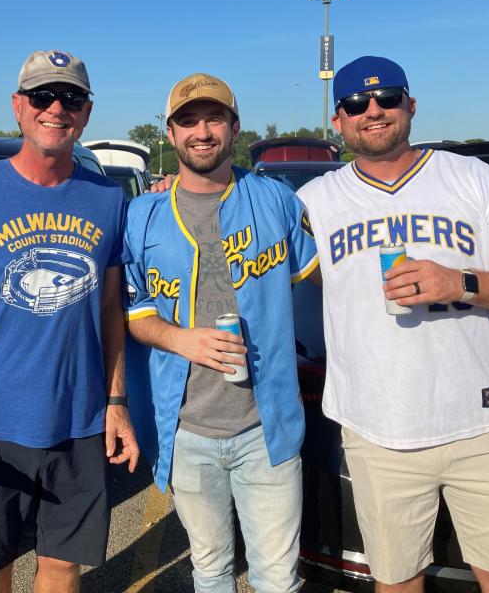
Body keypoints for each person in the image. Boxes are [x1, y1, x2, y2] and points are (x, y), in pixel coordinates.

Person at [296, 56, 489, 593]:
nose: (373, 111)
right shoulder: (313, 201)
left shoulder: (470, 177)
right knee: (397, 583)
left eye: (387, 98)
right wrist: (172, 194)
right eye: (355, 103)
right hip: (378, 427)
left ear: (410, 105)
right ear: (338, 120)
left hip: (483, 423)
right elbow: (240, 233)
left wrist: (461, 282)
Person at [0, 50, 139, 593]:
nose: (56, 108)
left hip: (80, 420)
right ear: (18, 108)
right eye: (42, 96)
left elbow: (112, 310)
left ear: (86, 112)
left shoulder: (108, 200)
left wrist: (117, 404)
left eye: (71, 98)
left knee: (62, 567)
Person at [124, 73, 318, 593]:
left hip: (266, 426)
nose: (201, 131)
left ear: (235, 128)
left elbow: (325, 280)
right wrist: (180, 339)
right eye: (188, 120)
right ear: (170, 134)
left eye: (213, 118)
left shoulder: (276, 200)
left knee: (278, 577)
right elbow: (132, 311)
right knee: (209, 571)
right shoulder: (142, 215)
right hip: (186, 429)